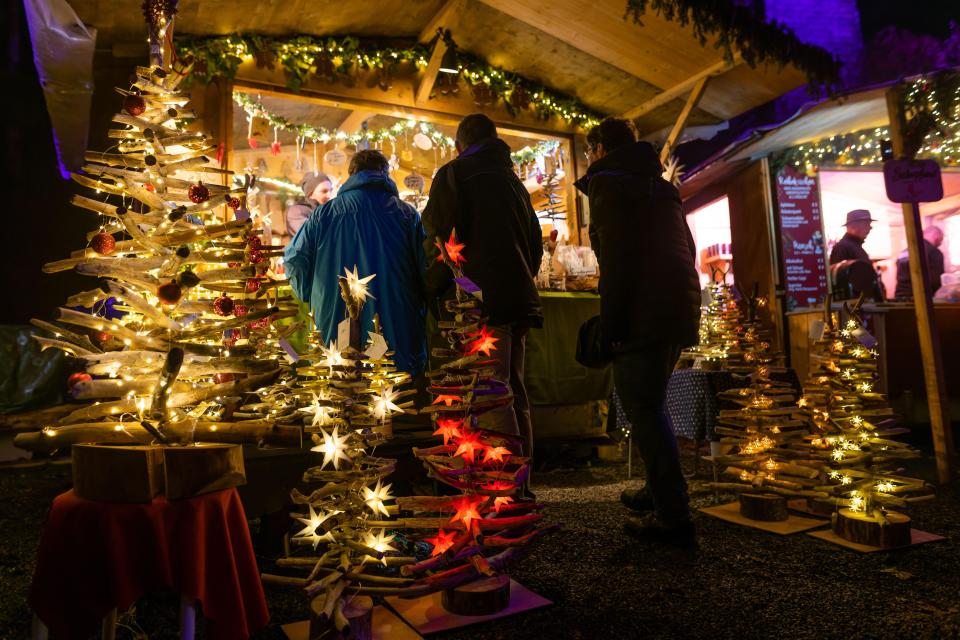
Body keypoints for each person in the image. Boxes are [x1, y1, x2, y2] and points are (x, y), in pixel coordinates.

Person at [574, 117, 700, 546]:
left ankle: (673, 515)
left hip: (643, 312)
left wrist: (613, 326)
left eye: (590, 152)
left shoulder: (608, 186)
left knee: (644, 410)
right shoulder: (662, 188)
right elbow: (689, 249)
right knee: (653, 405)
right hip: (675, 308)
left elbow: (617, 262)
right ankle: (659, 491)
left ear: (599, 150)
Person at [421, 113, 543, 457]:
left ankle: (505, 493)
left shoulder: (454, 174)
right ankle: (521, 485)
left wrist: (433, 288)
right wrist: (520, 280)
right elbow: (536, 245)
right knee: (513, 393)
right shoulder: (514, 182)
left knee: (491, 392)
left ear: (459, 146)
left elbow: (437, 241)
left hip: (478, 301)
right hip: (518, 299)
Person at [284, 150, 426, 375]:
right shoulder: (406, 214)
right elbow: (425, 268)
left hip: (334, 320)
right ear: (385, 174)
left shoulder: (324, 215)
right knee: (393, 391)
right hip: (396, 321)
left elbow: (293, 260)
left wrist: (312, 294)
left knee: (339, 391)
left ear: (352, 174)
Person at [830, 209, 881, 300]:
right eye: (867, 224)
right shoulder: (843, 247)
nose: (870, 228)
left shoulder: (853, 247)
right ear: (853, 226)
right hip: (855, 308)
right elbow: (838, 282)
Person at [894, 226, 945, 299]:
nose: (940, 243)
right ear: (935, 236)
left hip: (900, 297)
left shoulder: (905, 252)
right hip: (921, 299)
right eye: (940, 239)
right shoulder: (934, 252)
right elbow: (936, 281)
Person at [285, 172, 334, 238]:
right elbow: (311, 236)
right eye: (324, 191)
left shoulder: (326, 210)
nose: (329, 195)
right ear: (310, 193)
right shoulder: (297, 211)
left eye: (331, 190)